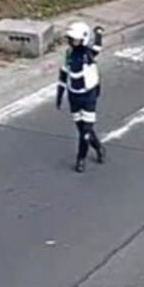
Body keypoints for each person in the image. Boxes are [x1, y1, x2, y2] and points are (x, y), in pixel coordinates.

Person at [56, 21, 106, 173]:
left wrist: (98, 33)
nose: (72, 42)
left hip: (88, 95)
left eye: (75, 39)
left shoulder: (87, 54)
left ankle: (81, 159)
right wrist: (60, 94)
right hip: (74, 96)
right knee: (82, 129)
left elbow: (97, 47)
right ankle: (98, 146)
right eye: (70, 39)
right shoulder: (69, 54)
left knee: (85, 131)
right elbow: (64, 73)